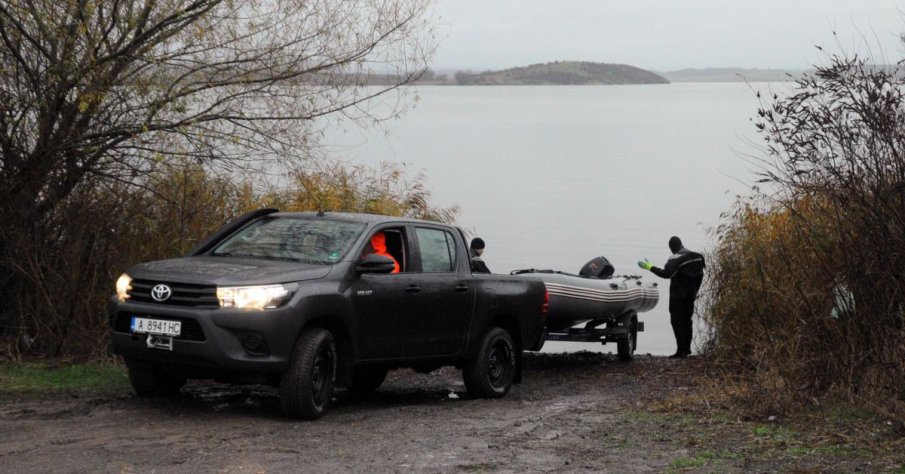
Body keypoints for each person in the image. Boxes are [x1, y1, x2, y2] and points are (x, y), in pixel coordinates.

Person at [637, 236, 705, 358]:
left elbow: (666, 274)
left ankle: (681, 351)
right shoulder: (698, 257)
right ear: (681, 244)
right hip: (691, 295)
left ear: (672, 247)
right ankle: (687, 349)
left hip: (678, 296)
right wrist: (695, 291)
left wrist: (649, 267)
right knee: (687, 320)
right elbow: (700, 275)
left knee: (677, 322)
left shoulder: (676, 257)